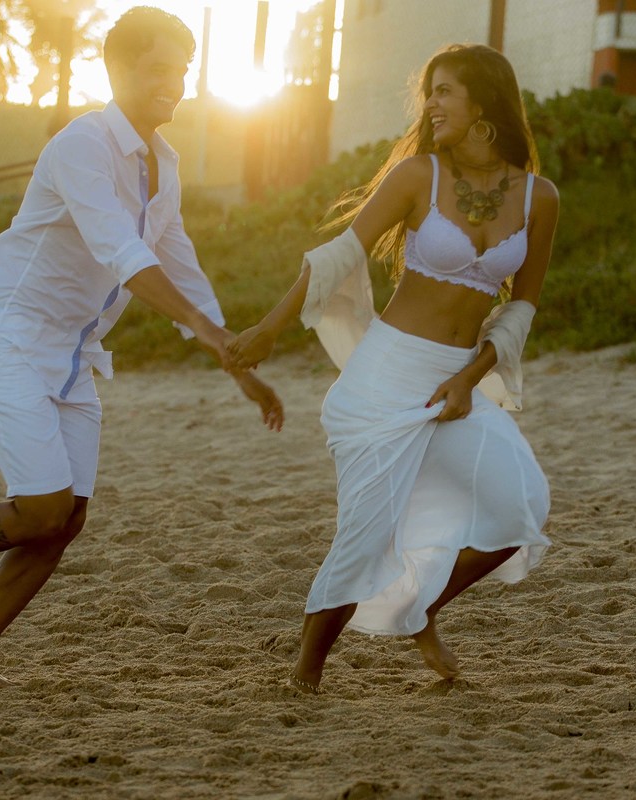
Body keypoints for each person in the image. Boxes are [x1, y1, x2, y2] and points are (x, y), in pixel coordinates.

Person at [0, 6, 284, 689]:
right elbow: (122, 254)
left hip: (72, 354)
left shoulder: (165, 164)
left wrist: (228, 356)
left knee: (66, 520)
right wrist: (215, 338)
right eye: (159, 69)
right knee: (41, 506)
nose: (174, 84)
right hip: (7, 335)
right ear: (118, 69)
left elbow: (177, 260)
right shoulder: (82, 144)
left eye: (182, 71)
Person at [228, 44, 558, 693]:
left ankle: (420, 607)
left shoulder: (539, 197)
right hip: (385, 379)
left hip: (455, 380)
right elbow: (334, 257)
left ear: (484, 104)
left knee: (518, 507)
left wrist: (469, 378)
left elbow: (522, 306)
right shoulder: (417, 177)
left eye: (445, 92)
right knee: (364, 538)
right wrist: (268, 329)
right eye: (428, 91)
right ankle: (305, 677)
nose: (430, 104)